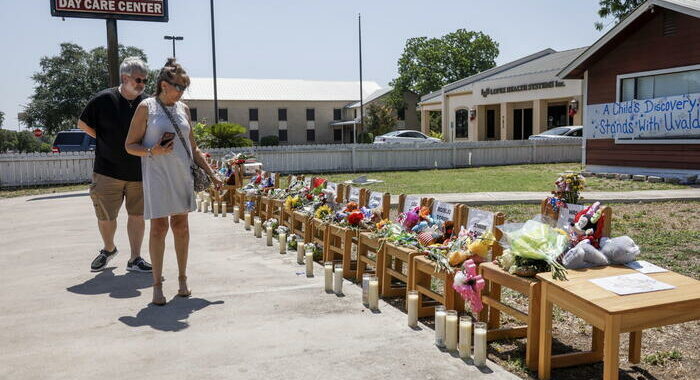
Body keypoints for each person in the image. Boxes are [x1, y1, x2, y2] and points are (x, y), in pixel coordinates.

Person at [125, 59, 222, 305]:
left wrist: (212, 173)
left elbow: (194, 147)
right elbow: (129, 146)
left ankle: (182, 279)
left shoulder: (184, 109)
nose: (180, 91)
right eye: (177, 86)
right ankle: (157, 284)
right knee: (159, 228)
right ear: (163, 85)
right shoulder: (146, 107)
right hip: (157, 175)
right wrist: (152, 151)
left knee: (182, 226)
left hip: (182, 175)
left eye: (183, 87)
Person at [78, 57, 152, 273]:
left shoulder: (147, 103)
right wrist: (103, 139)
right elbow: (82, 123)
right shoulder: (103, 99)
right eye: (138, 79)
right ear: (124, 78)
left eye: (145, 80)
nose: (141, 84)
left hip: (138, 170)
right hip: (107, 171)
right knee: (106, 217)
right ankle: (109, 249)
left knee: (137, 215)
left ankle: (135, 258)